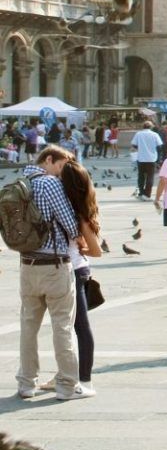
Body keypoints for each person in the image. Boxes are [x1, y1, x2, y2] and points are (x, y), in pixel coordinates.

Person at [15, 145, 88, 399]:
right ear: (48, 159)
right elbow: (69, 222)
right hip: (54, 265)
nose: (64, 170)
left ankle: (26, 383)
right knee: (62, 326)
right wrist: (81, 238)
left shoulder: (21, 181)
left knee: (28, 326)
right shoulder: (50, 184)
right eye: (62, 164)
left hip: (27, 265)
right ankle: (68, 385)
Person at [57, 158, 102, 396]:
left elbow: (97, 250)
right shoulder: (78, 207)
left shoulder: (77, 213)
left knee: (80, 327)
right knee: (70, 327)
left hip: (75, 271)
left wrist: (81, 248)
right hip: (78, 268)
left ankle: (85, 381)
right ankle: (67, 375)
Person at [131, 120, 163, 200]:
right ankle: (147, 194)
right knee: (150, 177)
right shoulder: (155, 134)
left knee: (141, 176)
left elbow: (134, 145)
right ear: (151, 127)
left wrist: (141, 148)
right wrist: (159, 159)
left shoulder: (138, 134)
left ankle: (141, 193)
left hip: (141, 158)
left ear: (143, 126)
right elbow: (160, 146)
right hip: (151, 159)